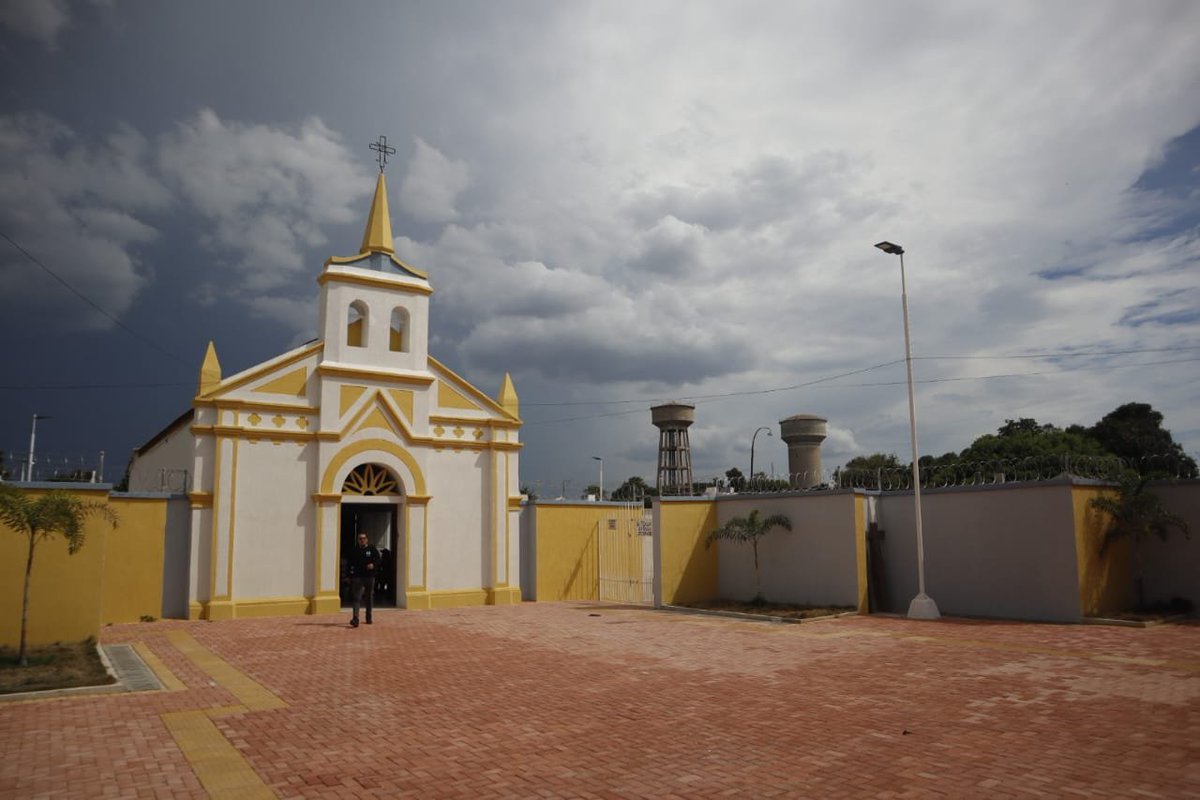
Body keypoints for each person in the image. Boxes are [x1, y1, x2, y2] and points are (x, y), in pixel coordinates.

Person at [347, 532, 381, 627]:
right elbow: (350, 563)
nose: (362, 540)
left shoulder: (372, 549)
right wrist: (349, 575)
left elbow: (378, 559)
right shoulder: (355, 551)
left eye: (364, 538)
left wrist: (373, 565)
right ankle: (355, 618)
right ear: (358, 540)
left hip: (369, 577)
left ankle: (368, 617)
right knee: (356, 598)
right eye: (360, 539)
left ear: (367, 539)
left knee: (368, 597)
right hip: (358, 577)